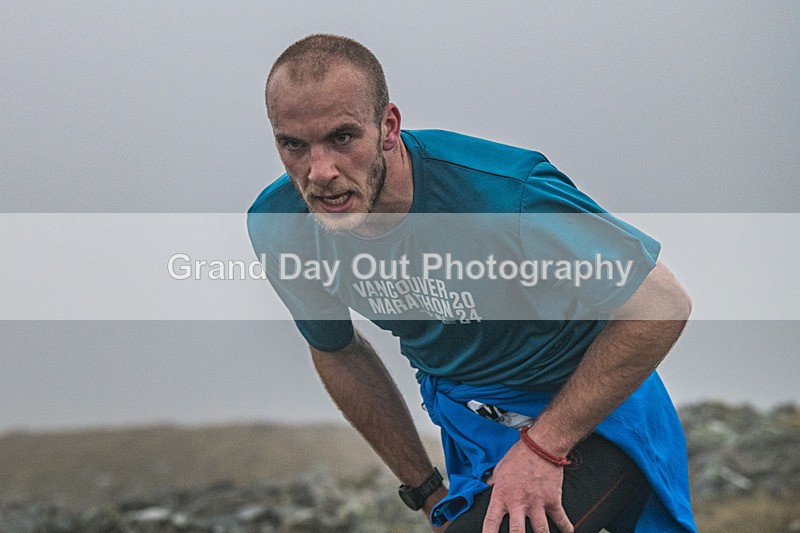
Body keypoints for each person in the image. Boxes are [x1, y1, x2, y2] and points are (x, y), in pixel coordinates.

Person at [248, 34, 697, 532]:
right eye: (294, 145)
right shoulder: (282, 224)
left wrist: (543, 448)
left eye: (342, 138)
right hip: (474, 431)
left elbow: (661, 303)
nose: (320, 172)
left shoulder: (501, 196)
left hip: (591, 417)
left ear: (388, 127)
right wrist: (425, 491)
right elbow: (337, 351)